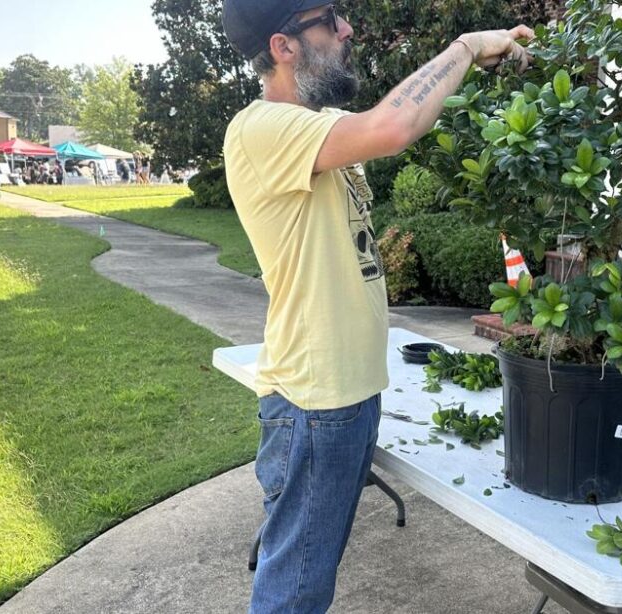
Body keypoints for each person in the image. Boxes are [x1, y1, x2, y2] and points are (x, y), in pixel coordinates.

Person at [219, 2, 532, 612]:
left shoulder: (320, 125)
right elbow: (393, 126)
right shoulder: (260, 128)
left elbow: (402, 111)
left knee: (307, 578)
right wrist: (467, 46)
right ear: (283, 46)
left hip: (346, 394)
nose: (347, 30)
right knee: (295, 590)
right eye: (330, 19)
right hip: (314, 399)